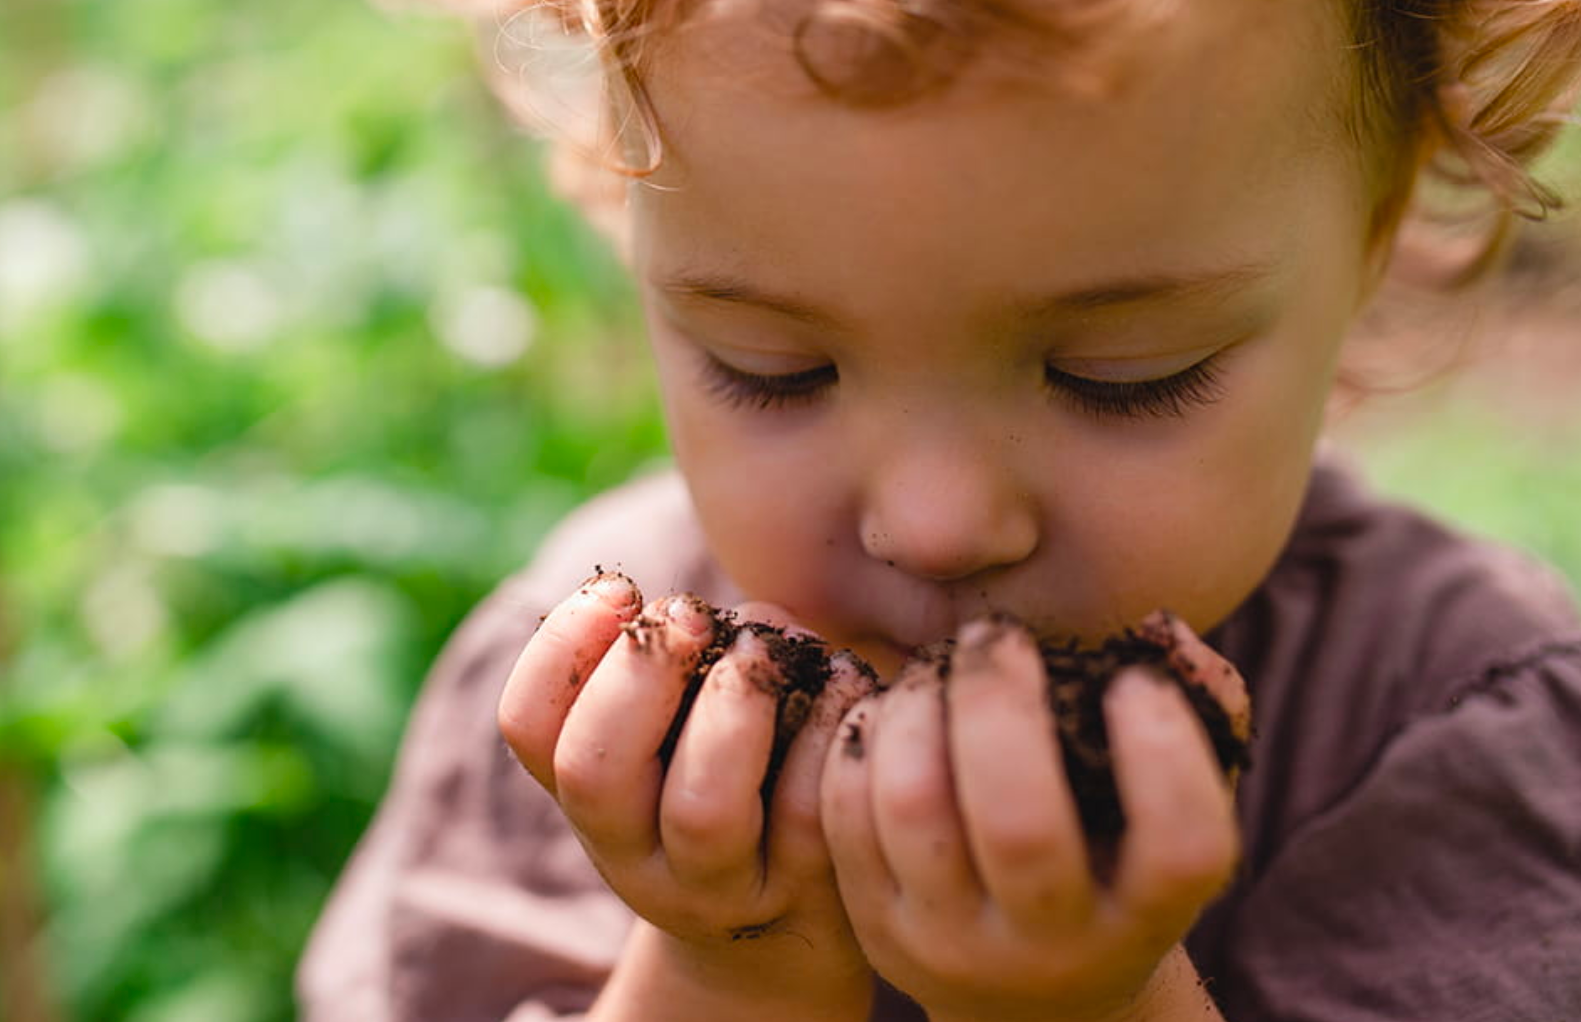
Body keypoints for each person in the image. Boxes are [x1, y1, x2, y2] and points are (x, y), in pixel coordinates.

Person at [299, 0, 1581, 1018]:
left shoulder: (1461, 736)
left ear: (1382, 224)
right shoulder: (592, 704)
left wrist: (1093, 1006)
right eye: (774, 369)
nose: (936, 524)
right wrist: (725, 972)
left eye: (1116, 376)